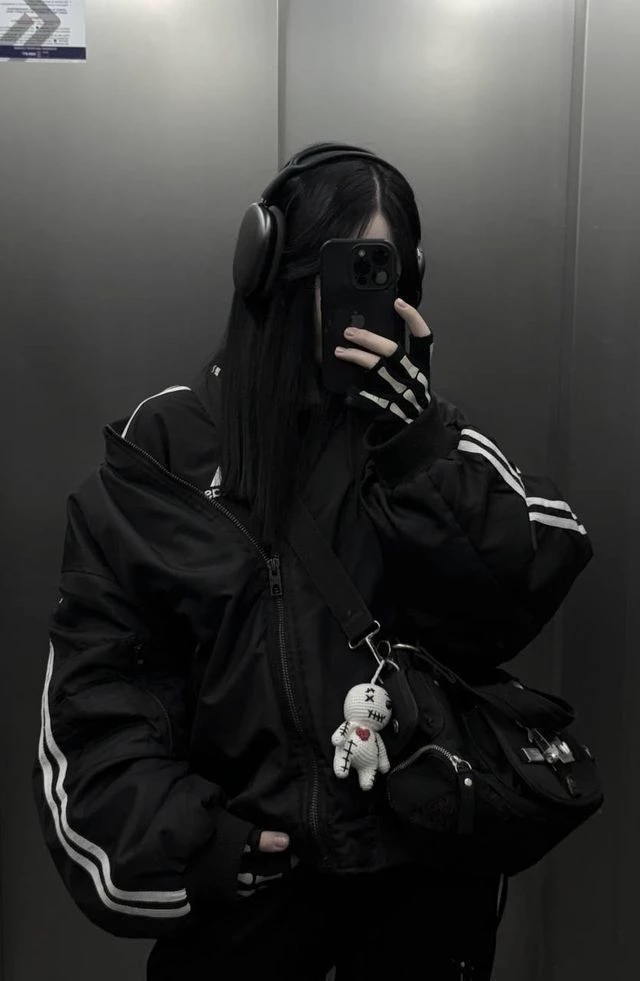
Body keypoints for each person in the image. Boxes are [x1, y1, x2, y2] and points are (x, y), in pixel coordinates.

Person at [32, 143, 593, 980]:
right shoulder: (168, 451)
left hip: (421, 896)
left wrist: (419, 446)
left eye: (384, 271)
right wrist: (197, 843)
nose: (361, 299)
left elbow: (525, 579)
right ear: (274, 274)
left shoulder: (418, 438)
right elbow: (96, 701)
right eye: (342, 268)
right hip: (250, 909)